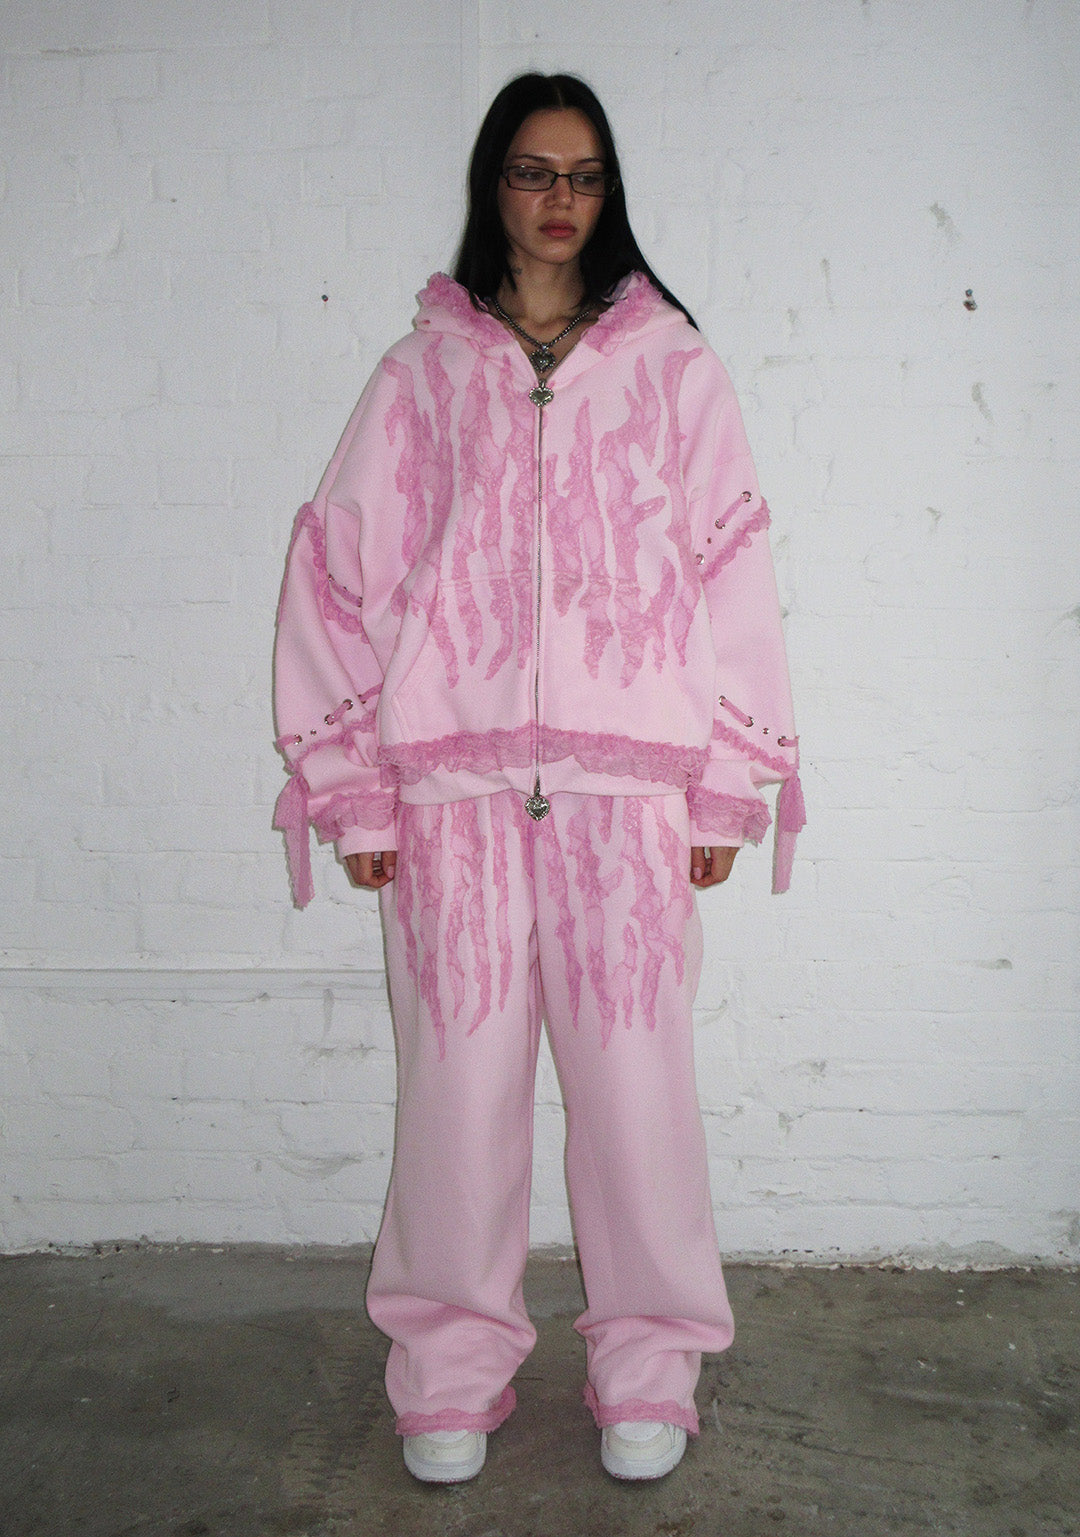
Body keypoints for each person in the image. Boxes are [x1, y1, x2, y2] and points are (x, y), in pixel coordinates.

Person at [272, 71, 803, 1485]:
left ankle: (651, 1365)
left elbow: (734, 572)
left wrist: (728, 781)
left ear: (607, 191)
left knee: (637, 1098)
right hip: (449, 799)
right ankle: (449, 1368)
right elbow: (335, 574)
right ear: (492, 186)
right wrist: (352, 785)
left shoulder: (673, 365)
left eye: (583, 174)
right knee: (455, 1099)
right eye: (532, 171)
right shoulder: (422, 375)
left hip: (627, 798)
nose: (559, 199)